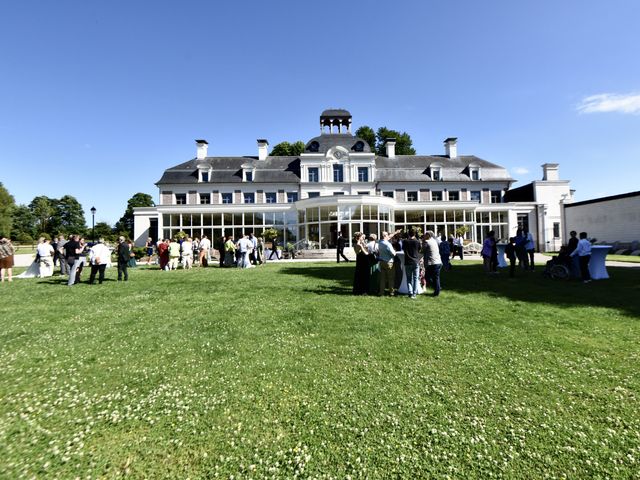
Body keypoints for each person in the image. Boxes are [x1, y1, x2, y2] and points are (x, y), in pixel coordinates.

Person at [402, 229, 421, 299]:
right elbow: (419, 249)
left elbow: (403, 249)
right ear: (415, 234)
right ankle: (414, 293)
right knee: (416, 278)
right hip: (415, 261)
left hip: (407, 262)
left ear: (408, 234)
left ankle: (410, 292)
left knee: (409, 278)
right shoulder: (417, 241)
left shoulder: (405, 241)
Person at [423, 231, 443, 296]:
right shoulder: (434, 241)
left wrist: (423, 241)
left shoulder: (427, 242)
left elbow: (422, 250)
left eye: (425, 235)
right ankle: (437, 288)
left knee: (429, 277)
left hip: (432, 263)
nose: (424, 236)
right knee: (435, 277)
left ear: (428, 235)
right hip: (438, 262)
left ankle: (437, 291)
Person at [377, 231, 396, 296]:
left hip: (382, 261)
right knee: (391, 278)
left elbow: (388, 238)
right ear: (385, 236)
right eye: (387, 235)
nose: (388, 236)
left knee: (382, 278)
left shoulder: (379, 242)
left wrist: (395, 233)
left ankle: (381, 292)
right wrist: (395, 252)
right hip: (389, 262)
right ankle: (391, 292)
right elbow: (393, 253)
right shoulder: (388, 244)